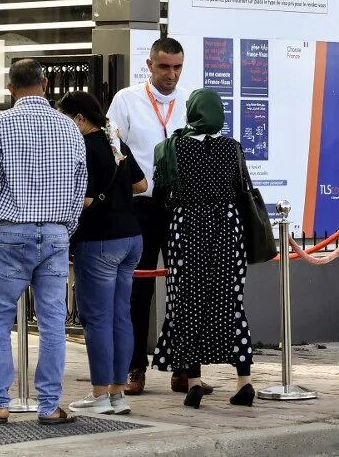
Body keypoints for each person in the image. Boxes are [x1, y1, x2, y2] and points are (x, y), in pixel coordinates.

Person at [0, 59, 87, 426]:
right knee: (52, 322)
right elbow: (81, 185)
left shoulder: (1, 124)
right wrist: (65, 227)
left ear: (11, 88)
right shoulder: (68, 127)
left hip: (11, 233)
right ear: (45, 83)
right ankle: (49, 406)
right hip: (55, 234)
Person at [107, 36, 204, 396]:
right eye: (164, 66)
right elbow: (114, 147)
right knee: (139, 289)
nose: (171, 74)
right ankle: (135, 368)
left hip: (182, 207)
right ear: (149, 65)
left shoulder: (191, 101)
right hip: (143, 206)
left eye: (177, 67)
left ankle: (185, 370)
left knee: (186, 289)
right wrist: (134, 181)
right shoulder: (127, 100)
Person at [151, 89, 255, 409]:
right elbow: (243, 191)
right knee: (230, 303)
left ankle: (194, 382)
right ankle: (244, 381)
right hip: (227, 226)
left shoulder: (171, 148)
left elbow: (161, 195)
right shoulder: (232, 148)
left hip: (187, 228)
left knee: (188, 304)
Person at [56, 91, 147, 416]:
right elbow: (141, 184)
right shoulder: (114, 143)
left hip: (99, 242)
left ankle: (99, 395)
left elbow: (87, 200)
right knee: (120, 316)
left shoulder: (82, 146)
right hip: (132, 238)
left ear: (79, 119)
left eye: (64, 118)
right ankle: (117, 394)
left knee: (96, 319)